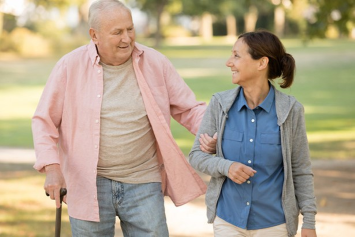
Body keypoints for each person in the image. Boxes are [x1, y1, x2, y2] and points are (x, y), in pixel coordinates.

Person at [32, 0, 216, 236]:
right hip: (87, 183)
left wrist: (217, 132)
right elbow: (43, 121)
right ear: (94, 35)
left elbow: (189, 109)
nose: (127, 39)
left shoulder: (155, 62)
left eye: (130, 29)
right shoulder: (69, 66)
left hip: (143, 179)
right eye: (117, 32)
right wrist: (52, 167)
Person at [189, 30, 317, 237]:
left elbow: (300, 170)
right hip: (227, 220)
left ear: (261, 63)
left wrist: (309, 222)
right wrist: (226, 166)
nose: (229, 62)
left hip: (274, 224)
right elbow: (196, 155)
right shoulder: (220, 104)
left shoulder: (291, 110)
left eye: (237, 56)